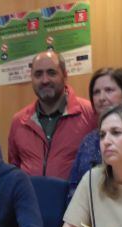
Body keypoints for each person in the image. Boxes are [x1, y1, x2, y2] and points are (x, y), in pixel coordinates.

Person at [7, 50, 94, 179]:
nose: (45, 80)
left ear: (64, 75)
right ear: (32, 78)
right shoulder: (19, 122)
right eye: (38, 74)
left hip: (76, 198)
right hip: (31, 199)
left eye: (51, 73)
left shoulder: (90, 114)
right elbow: (14, 169)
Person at [68, 67, 122, 196]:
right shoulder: (88, 141)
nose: (101, 98)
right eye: (96, 92)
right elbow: (74, 190)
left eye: (109, 90)